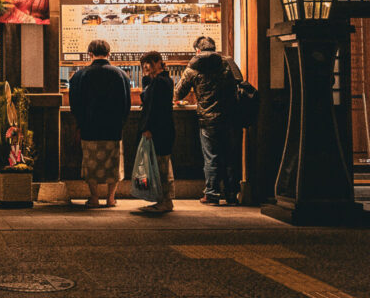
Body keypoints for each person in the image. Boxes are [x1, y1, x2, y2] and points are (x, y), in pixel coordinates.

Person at [174, 35, 242, 205]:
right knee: (230, 156)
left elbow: (178, 93)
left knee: (212, 156)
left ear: (197, 50)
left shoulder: (193, 67)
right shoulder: (228, 62)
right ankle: (232, 194)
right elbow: (239, 81)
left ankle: (212, 193)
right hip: (231, 117)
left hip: (208, 119)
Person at [68, 38, 132, 208]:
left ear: (90, 54)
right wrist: (121, 121)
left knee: (91, 163)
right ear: (109, 54)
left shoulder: (80, 75)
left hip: (90, 128)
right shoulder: (121, 74)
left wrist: (80, 123)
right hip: (113, 128)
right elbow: (127, 104)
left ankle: (94, 197)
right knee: (113, 163)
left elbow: (75, 103)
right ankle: (111, 198)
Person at [134, 50, 175, 214]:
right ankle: (163, 200)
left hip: (159, 130)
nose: (147, 67)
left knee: (161, 168)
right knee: (161, 166)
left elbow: (154, 108)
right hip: (164, 129)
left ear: (159, 63)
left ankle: (165, 201)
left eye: (150, 63)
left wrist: (148, 128)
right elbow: (147, 99)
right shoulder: (161, 80)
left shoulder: (160, 82)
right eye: (145, 64)